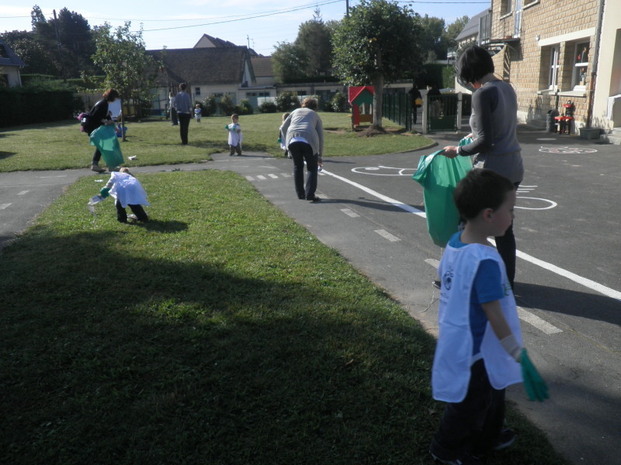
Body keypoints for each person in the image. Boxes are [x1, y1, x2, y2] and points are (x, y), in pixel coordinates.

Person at [430, 169, 544, 465]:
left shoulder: (456, 243)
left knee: (494, 393)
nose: (513, 216)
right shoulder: (486, 260)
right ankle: (446, 448)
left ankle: (490, 435)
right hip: (476, 348)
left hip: (465, 340)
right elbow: (493, 312)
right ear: (489, 214)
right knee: (470, 402)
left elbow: (442, 279)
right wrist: (517, 352)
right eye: (511, 210)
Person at [441, 45, 523, 288]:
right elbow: (496, 130)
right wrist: (473, 138)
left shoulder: (482, 94)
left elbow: (486, 141)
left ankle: (457, 276)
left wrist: (458, 150)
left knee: (467, 225)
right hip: (514, 166)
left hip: (491, 170)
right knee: (504, 228)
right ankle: (506, 282)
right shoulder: (506, 87)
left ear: (468, 72)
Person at [280, 97, 324, 202]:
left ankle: (300, 194)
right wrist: (319, 155)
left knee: (297, 167)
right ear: (315, 107)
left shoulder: (295, 111)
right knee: (312, 168)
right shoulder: (315, 115)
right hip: (309, 139)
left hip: (292, 139)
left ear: (303, 104)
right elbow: (320, 136)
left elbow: (282, 128)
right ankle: (310, 194)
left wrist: (286, 145)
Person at [85, 89, 120, 173]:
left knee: (104, 145)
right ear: (112, 97)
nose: (116, 99)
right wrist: (106, 122)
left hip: (94, 127)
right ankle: (109, 166)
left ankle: (96, 164)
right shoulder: (102, 104)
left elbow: (105, 116)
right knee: (106, 144)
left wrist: (112, 124)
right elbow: (95, 117)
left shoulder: (104, 103)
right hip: (94, 128)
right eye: (115, 97)